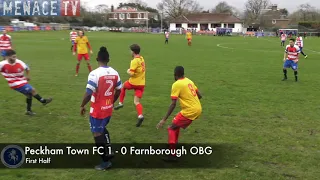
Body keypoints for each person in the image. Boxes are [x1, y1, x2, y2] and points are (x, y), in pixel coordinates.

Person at [80, 46, 122, 170]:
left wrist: (82, 105)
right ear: (108, 59)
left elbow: (88, 93)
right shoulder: (115, 72)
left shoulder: (95, 73)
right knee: (103, 129)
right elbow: (119, 90)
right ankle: (108, 149)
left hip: (98, 110)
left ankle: (105, 162)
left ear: (97, 58)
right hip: (108, 108)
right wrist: (112, 102)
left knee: (97, 133)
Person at [157, 66, 202, 161]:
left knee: (171, 128)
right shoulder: (189, 81)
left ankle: (172, 155)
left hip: (190, 110)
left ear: (175, 74)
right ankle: (173, 146)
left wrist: (164, 119)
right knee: (175, 126)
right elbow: (200, 95)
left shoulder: (177, 84)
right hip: (197, 108)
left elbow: (173, 104)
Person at [0, 50, 52, 115]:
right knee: (32, 90)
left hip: (22, 81)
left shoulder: (19, 62)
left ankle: (28, 111)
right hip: (14, 83)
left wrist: (28, 76)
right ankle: (43, 101)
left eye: (15, 57)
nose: (14, 59)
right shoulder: (2, 64)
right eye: (13, 57)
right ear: (7, 57)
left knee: (29, 95)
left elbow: (27, 68)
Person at [114, 44, 145, 127]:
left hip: (134, 82)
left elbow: (131, 73)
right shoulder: (142, 59)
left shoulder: (134, 61)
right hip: (142, 83)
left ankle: (121, 103)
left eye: (130, 50)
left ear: (133, 52)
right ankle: (140, 116)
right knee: (136, 102)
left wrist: (128, 71)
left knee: (123, 86)